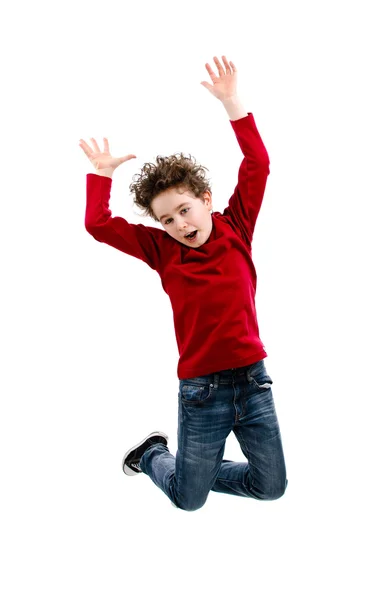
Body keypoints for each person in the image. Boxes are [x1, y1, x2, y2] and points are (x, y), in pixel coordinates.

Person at [79, 55, 288, 511]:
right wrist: (101, 173)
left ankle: (196, 470)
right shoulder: (162, 250)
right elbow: (97, 224)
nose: (178, 223)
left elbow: (258, 163)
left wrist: (233, 103)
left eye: (185, 210)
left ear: (206, 200)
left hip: (253, 383)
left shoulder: (236, 226)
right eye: (166, 219)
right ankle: (152, 454)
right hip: (202, 391)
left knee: (270, 486)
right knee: (188, 499)